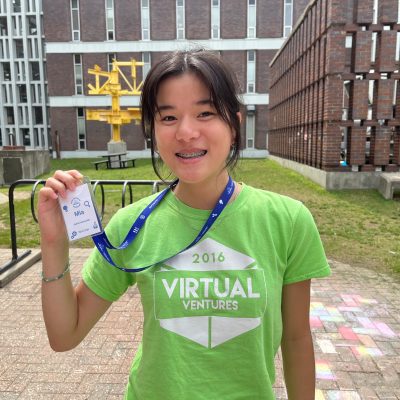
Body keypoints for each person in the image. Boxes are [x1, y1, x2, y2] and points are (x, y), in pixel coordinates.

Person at [38, 49, 331, 400]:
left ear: (234, 124)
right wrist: (53, 244)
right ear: (153, 130)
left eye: (205, 113)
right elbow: (65, 335)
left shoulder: (287, 220)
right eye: (168, 117)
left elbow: (296, 339)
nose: (186, 132)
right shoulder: (131, 225)